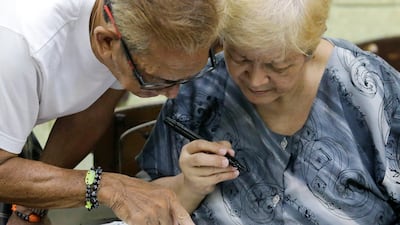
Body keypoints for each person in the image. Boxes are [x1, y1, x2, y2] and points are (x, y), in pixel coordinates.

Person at [137, 0, 400, 224]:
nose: (256, 81)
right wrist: (188, 185)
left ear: (309, 50)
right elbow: (145, 204)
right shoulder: (203, 85)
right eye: (241, 59)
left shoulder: (366, 88)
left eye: (278, 66)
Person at [0, 0, 225, 224]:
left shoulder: (125, 29)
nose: (173, 93)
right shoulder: (19, 48)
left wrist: (31, 210)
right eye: (157, 81)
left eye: (184, 79)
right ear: (106, 42)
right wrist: (109, 187)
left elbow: (91, 110)